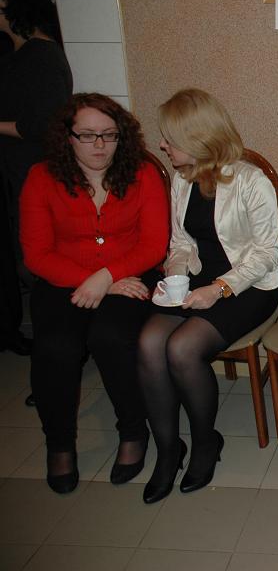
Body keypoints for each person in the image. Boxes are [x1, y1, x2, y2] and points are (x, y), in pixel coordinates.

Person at [137, 88, 278, 504]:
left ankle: (205, 442)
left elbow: (266, 254)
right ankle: (169, 450)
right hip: (200, 281)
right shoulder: (182, 179)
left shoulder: (251, 181)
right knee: (149, 342)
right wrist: (174, 274)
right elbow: (181, 242)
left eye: (170, 138)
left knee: (182, 348)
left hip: (250, 286)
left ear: (198, 138)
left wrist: (218, 289)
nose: (162, 145)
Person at [19, 93, 168, 493]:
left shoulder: (142, 174)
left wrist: (108, 277)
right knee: (56, 347)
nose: (99, 145)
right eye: (87, 135)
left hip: (130, 276)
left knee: (112, 338)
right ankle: (59, 444)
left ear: (122, 136)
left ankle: (133, 431)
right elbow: (36, 254)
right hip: (63, 280)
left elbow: (154, 245)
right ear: (67, 137)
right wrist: (94, 279)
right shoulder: (41, 177)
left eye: (109, 134)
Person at [0, 0, 72, 357]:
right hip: (18, 172)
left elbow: (44, 124)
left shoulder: (41, 56)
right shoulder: (17, 53)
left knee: (36, 263)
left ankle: (65, 347)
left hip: (32, 174)